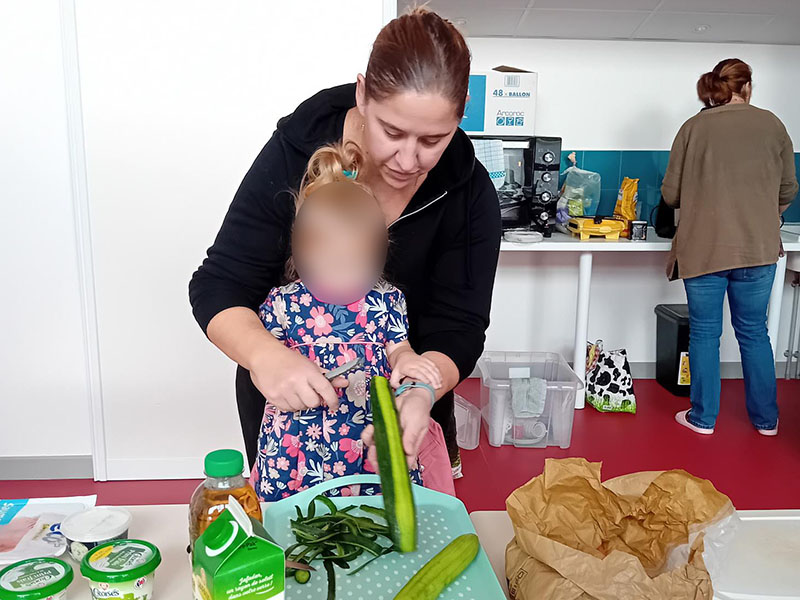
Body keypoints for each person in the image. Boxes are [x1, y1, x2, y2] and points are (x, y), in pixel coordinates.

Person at [189, 8, 501, 476]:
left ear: (461, 114)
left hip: (406, 428)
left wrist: (420, 394)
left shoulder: (469, 192)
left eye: (433, 139)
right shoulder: (296, 150)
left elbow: (459, 327)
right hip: (293, 433)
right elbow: (219, 285)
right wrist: (266, 356)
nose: (408, 159)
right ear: (362, 94)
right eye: (392, 131)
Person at [252, 141, 446, 500]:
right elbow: (262, 366)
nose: (343, 280)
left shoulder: (386, 301)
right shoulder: (282, 304)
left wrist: (409, 360)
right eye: (331, 267)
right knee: (298, 526)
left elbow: (398, 347)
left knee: (371, 522)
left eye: (357, 267)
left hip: (366, 436)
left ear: (379, 254)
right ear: (301, 254)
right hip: (298, 441)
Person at [662, 58, 797, 436]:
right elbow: (788, 190)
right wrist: (765, 213)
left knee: (705, 332)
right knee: (754, 331)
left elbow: (671, 194)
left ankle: (703, 419)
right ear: (748, 87)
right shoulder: (773, 125)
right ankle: (767, 421)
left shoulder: (693, 127)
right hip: (757, 248)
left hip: (703, 249)